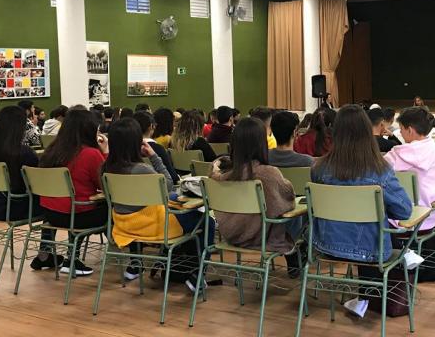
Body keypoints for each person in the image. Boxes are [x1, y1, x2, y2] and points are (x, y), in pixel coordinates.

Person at [312, 105, 412, 318]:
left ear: (336, 132)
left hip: (325, 245)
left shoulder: (318, 168)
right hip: (372, 251)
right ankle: (369, 297)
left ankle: (363, 298)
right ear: (368, 131)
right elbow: (404, 211)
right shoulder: (380, 170)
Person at [102, 118, 215, 288]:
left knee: (183, 211)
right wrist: (154, 156)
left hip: (123, 226)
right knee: (207, 221)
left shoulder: (105, 169)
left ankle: (139, 264)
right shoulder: (142, 169)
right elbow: (168, 183)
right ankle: (198, 276)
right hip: (155, 226)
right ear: (135, 142)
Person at [211, 117, 302, 277]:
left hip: (231, 234)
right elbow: (286, 202)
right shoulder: (268, 174)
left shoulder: (221, 176)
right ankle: (293, 251)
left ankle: (293, 252)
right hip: (260, 237)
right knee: (299, 213)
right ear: (261, 143)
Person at [39, 109, 109, 276]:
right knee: (110, 208)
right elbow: (107, 184)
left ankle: (47, 254)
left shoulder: (50, 151)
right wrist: (105, 152)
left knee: (76, 203)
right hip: (76, 215)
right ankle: (126, 255)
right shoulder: (91, 154)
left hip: (50, 214)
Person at [0, 106, 59, 270]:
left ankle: (46, 255)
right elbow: (40, 185)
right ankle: (45, 253)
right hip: (15, 206)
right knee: (53, 205)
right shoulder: (23, 153)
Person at [385, 107, 435, 231]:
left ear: (410, 130)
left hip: (393, 223)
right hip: (428, 220)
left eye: (401, 129)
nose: (400, 133)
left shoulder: (393, 156)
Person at [133, 111, 179, 183]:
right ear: (152, 126)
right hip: (158, 189)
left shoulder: (127, 149)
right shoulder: (158, 149)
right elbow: (173, 177)